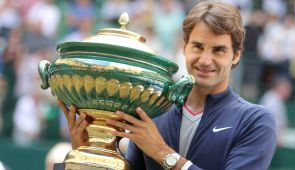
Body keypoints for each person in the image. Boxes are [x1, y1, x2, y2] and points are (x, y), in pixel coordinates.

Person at [58, 1, 277, 169]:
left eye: (218, 50)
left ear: (236, 55)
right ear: (184, 47)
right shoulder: (154, 109)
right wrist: (91, 152)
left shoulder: (256, 121)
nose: (205, 60)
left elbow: (161, 153)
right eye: (198, 47)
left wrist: (163, 153)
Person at [259, 77, 292, 146]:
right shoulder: (271, 100)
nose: (289, 92)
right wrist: (276, 137)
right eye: (288, 89)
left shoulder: (276, 98)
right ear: (281, 88)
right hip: (269, 137)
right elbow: (268, 121)